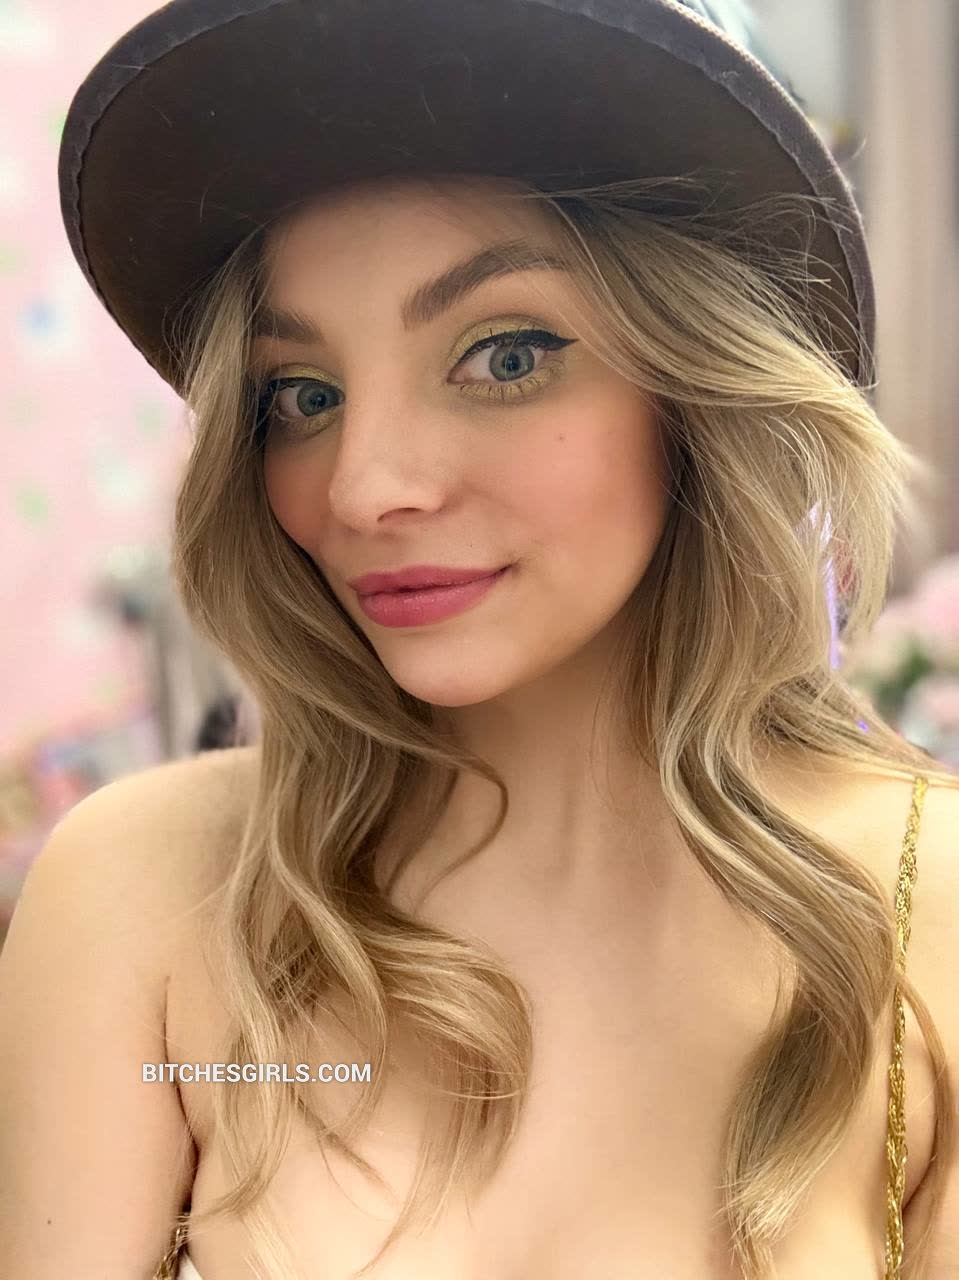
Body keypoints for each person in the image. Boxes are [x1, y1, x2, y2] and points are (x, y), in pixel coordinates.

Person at [2, 2, 958, 1278]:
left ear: (697, 385)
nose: (363, 487)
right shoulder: (150, 893)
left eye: (504, 356)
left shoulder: (928, 904)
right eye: (303, 394)